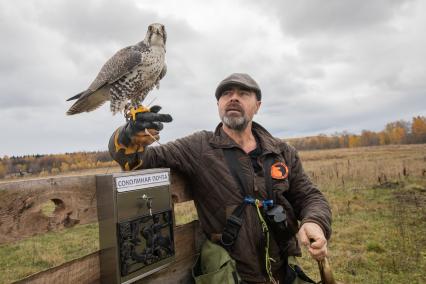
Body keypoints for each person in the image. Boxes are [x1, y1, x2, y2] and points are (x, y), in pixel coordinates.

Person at [109, 73, 332, 283]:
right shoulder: (199, 147)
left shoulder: (282, 152)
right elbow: (137, 160)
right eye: (226, 94)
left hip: (283, 273)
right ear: (218, 105)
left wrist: (315, 222)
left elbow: (310, 196)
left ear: (258, 106)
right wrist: (128, 136)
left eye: (243, 93)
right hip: (230, 275)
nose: (233, 98)